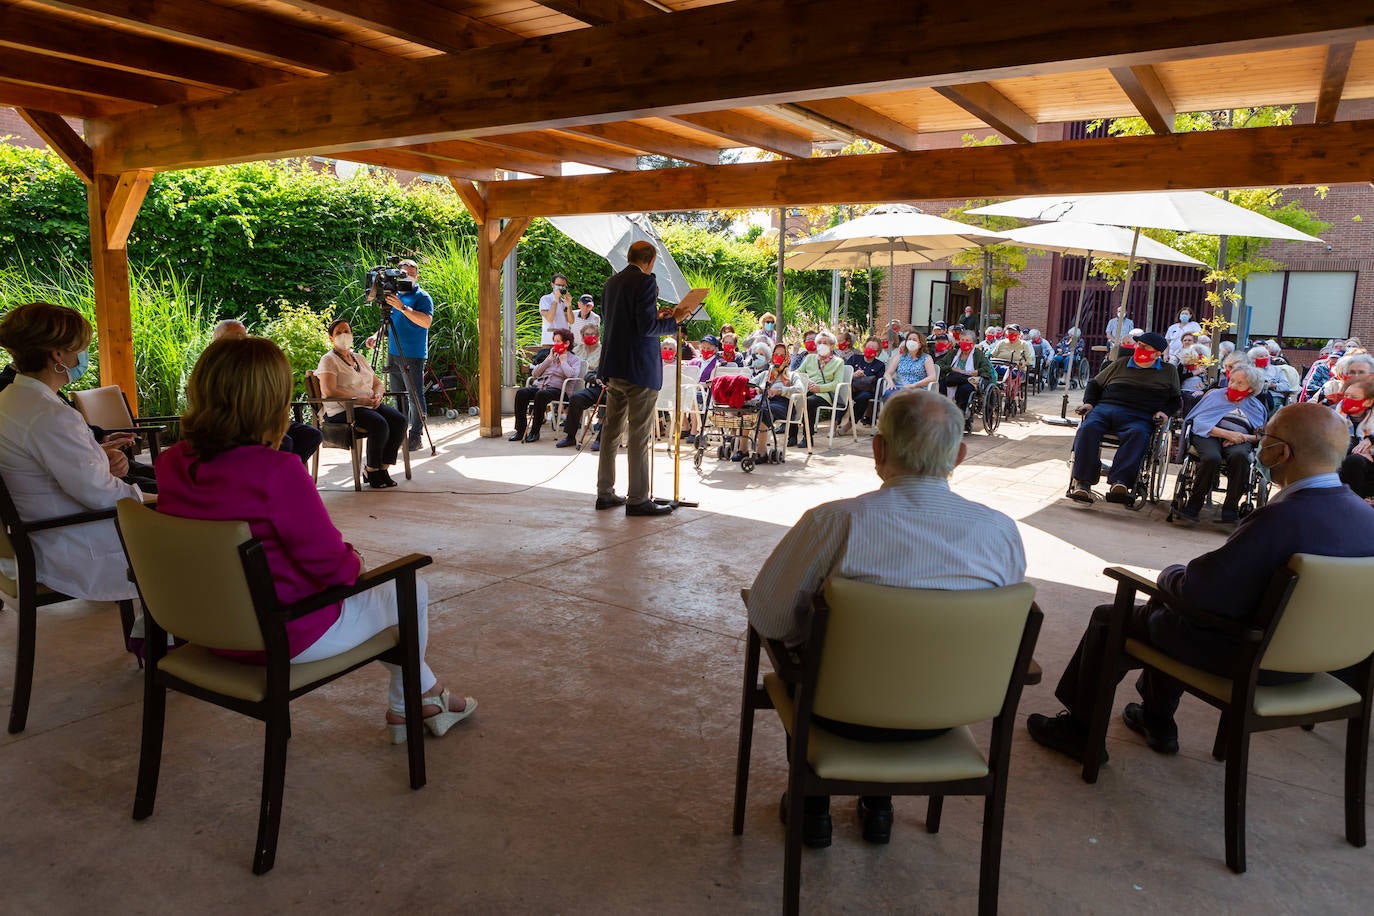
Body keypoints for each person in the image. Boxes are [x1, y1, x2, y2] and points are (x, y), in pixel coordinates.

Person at [157, 337, 475, 743]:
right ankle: (407, 704)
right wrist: (354, 560)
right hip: (282, 634)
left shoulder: (172, 462)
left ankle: (425, 697)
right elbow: (332, 567)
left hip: (203, 626)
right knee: (411, 588)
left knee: (390, 593)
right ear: (271, 401)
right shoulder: (276, 471)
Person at [748, 389, 1026, 846]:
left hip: (837, 714)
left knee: (809, 662)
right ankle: (879, 808)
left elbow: (770, 618)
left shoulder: (833, 523)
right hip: (947, 713)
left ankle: (811, 811)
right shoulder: (999, 532)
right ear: (959, 455)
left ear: (878, 449)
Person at [1028, 403, 1374, 765]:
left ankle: (1082, 731)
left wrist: (1171, 573)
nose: (1259, 446)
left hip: (1250, 658)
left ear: (1281, 452)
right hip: (1319, 664)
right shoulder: (1367, 519)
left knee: (1116, 615)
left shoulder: (1281, 518)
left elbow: (1201, 593)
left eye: (1264, 438)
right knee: (1166, 612)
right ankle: (1155, 718)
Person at [0, 301, 146, 603]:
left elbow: (45, 468)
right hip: (65, 546)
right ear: (58, 355)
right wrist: (151, 500)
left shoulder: (10, 402)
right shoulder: (48, 414)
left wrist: (98, 459)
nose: (83, 355)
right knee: (187, 541)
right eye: (81, 347)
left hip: (30, 538)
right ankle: (166, 635)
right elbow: (100, 495)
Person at [595, 241, 695, 516]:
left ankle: (605, 493)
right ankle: (638, 499)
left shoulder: (611, 283)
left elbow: (620, 321)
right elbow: (647, 328)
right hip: (639, 368)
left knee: (611, 432)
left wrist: (657, 315)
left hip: (614, 365)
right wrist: (674, 319)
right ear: (650, 260)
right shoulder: (646, 282)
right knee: (639, 435)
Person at [1068, 331, 1180, 505]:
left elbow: (1175, 400)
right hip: (1106, 408)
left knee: (1138, 434)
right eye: (1138, 345)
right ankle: (1083, 482)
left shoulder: (1168, 371)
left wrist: (1164, 412)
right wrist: (1089, 403)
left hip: (1140, 414)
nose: (1138, 348)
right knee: (1088, 428)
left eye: (1144, 347)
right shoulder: (1120, 363)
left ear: (1157, 353)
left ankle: (1120, 482)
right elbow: (1094, 384)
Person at [211, 316, 322, 467]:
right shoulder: (213, 367)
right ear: (218, 339)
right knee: (284, 443)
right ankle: (278, 478)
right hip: (236, 424)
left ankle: (285, 474)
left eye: (245, 336)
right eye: (237, 336)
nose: (244, 341)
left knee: (311, 435)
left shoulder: (251, 364)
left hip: (265, 419)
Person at [315, 320, 406, 489]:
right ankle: (371, 470)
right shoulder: (328, 360)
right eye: (339, 332)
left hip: (368, 404)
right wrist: (358, 399)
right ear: (331, 338)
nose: (344, 335)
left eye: (347, 331)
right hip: (344, 409)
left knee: (399, 420)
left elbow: (377, 383)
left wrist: (378, 394)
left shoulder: (359, 358)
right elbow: (329, 391)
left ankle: (383, 468)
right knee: (379, 423)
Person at [1175, 363, 1268, 523]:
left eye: (1240, 383)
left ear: (1251, 388)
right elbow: (1198, 423)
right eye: (1232, 380)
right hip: (1208, 435)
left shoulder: (1256, 406)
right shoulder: (1215, 395)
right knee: (1212, 458)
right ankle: (1193, 505)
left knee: (1240, 457)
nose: (1232, 385)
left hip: (1240, 439)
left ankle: (1230, 509)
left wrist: (1242, 437)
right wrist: (1227, 434)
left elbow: (1260, 436)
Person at [363, 259, 433, 452]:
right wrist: (376, 336)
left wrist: (403, 307)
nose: (406, 277)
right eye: (402, 273)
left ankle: (416, 436)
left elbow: (426, 322)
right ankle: (399, 433)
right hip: (394, 352)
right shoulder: (393, 296)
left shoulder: (422, 297)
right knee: (397, 397)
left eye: (409, 274)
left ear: (416, 276)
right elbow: (390, 321)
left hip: (413, 354)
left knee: (414, 397)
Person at [511, 328, 581, 444]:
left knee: (541, 395)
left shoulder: (574, 359)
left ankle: (535, 431)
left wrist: (563, 362)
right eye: (554, 341)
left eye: (558, 341)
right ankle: (520, 430)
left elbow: (571, 376)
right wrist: (548, 360)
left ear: (567, 343)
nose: (555, 344)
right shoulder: (550, 356)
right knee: (521, 392)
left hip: (559, 390)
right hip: (540, 386)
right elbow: (535, 373)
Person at [751, 342, 805, 456]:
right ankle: (743, 450)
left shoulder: (792, 375)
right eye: (776, 354)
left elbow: (800, 389)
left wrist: (780, 391)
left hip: (784, 404)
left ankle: (761, 452)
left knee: (763, 410)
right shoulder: (766, 374)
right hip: (765, 402)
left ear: (787, 358)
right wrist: (760, 389)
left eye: (781, 355)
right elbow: (750, 384)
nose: (778, 358)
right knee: (750, 409)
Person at [937, 328, 994, 428]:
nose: (964, 342)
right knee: (942, 385)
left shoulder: (978, 354)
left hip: (969, 379)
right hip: (954, 377)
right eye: (962, 340)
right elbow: (939, 364)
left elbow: (986, 368)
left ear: (972, 343)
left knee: (964, 389)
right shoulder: (954, 353)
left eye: (967, 341)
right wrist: (952, 368)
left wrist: (977, 372)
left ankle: (961, 416)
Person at [1335, 379, 1374, 501]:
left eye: (1354, 397)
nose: (1347, 399)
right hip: (1345, 461)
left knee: (1355, 461)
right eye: (1346, 395)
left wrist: (1370, 441)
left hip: (1368, 465)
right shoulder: (1335, 414)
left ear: (1368, 401)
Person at [883, 330, 937, 401]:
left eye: (914, 340)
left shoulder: (926, 358)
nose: (911, 341)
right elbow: (887, 373)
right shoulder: (899, 357)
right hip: (899, 387)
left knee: (906, 398)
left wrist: (914, 385)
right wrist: (890, 382)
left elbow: (932, 377)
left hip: (917, 389)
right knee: (888, 393)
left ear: (920, 344)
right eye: (909, 339)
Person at [845, 337, 885, 425]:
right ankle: (836, 422)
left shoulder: (880, 365)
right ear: (864, 347)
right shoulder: (854, 358)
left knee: (864, 397)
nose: (869, 350)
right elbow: (844, 373)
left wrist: (865, 377)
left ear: (877, 352)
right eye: (868, 347)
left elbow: (878, 382)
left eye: (873, 348)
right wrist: (853, 374)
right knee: (843, 394)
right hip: (851, 387)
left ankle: (850, 424)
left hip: (866, 391)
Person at [1248, 345, 1291, 414]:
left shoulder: (1276, 370)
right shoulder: (1248, 371)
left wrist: (1273, 385)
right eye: (1261, 356)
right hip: (1253, 397)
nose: (1264, 358)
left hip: (1273, 397)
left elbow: (1286, 386)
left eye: (1266, 356)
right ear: (1253, 359)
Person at [539, 273, 574, 346]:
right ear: (552, 285)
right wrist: (556, 300)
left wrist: (569, 305)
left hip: (563, 342)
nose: (560, 288)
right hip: (549, 341)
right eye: (558, 285)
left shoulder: (564, 302)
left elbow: (571, 321)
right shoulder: (545, 299)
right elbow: (549, 319)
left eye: (563, 286)